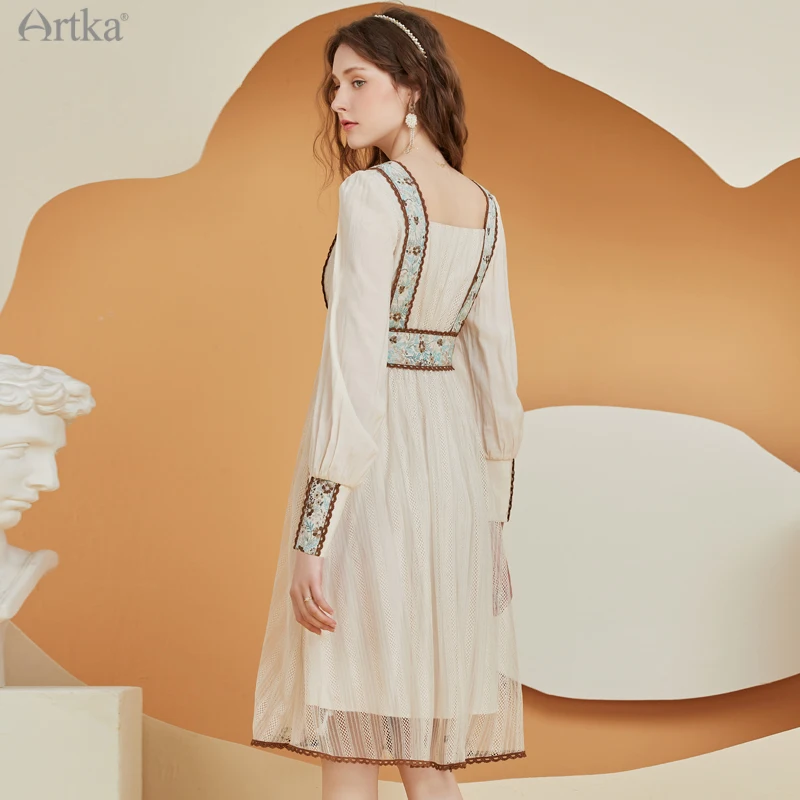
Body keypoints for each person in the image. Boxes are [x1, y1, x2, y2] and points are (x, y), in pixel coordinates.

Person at [251, 7, 526, 798]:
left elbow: (356, 373)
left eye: (357, 81)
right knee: (424, 746)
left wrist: (315, 533)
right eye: (334, 85)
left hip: (371, 484)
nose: (338, 100)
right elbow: (498, 382)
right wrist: (490, 528)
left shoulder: (372, 195)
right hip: (451, 488)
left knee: (351, 727)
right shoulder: (484, 207)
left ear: (411, 88)